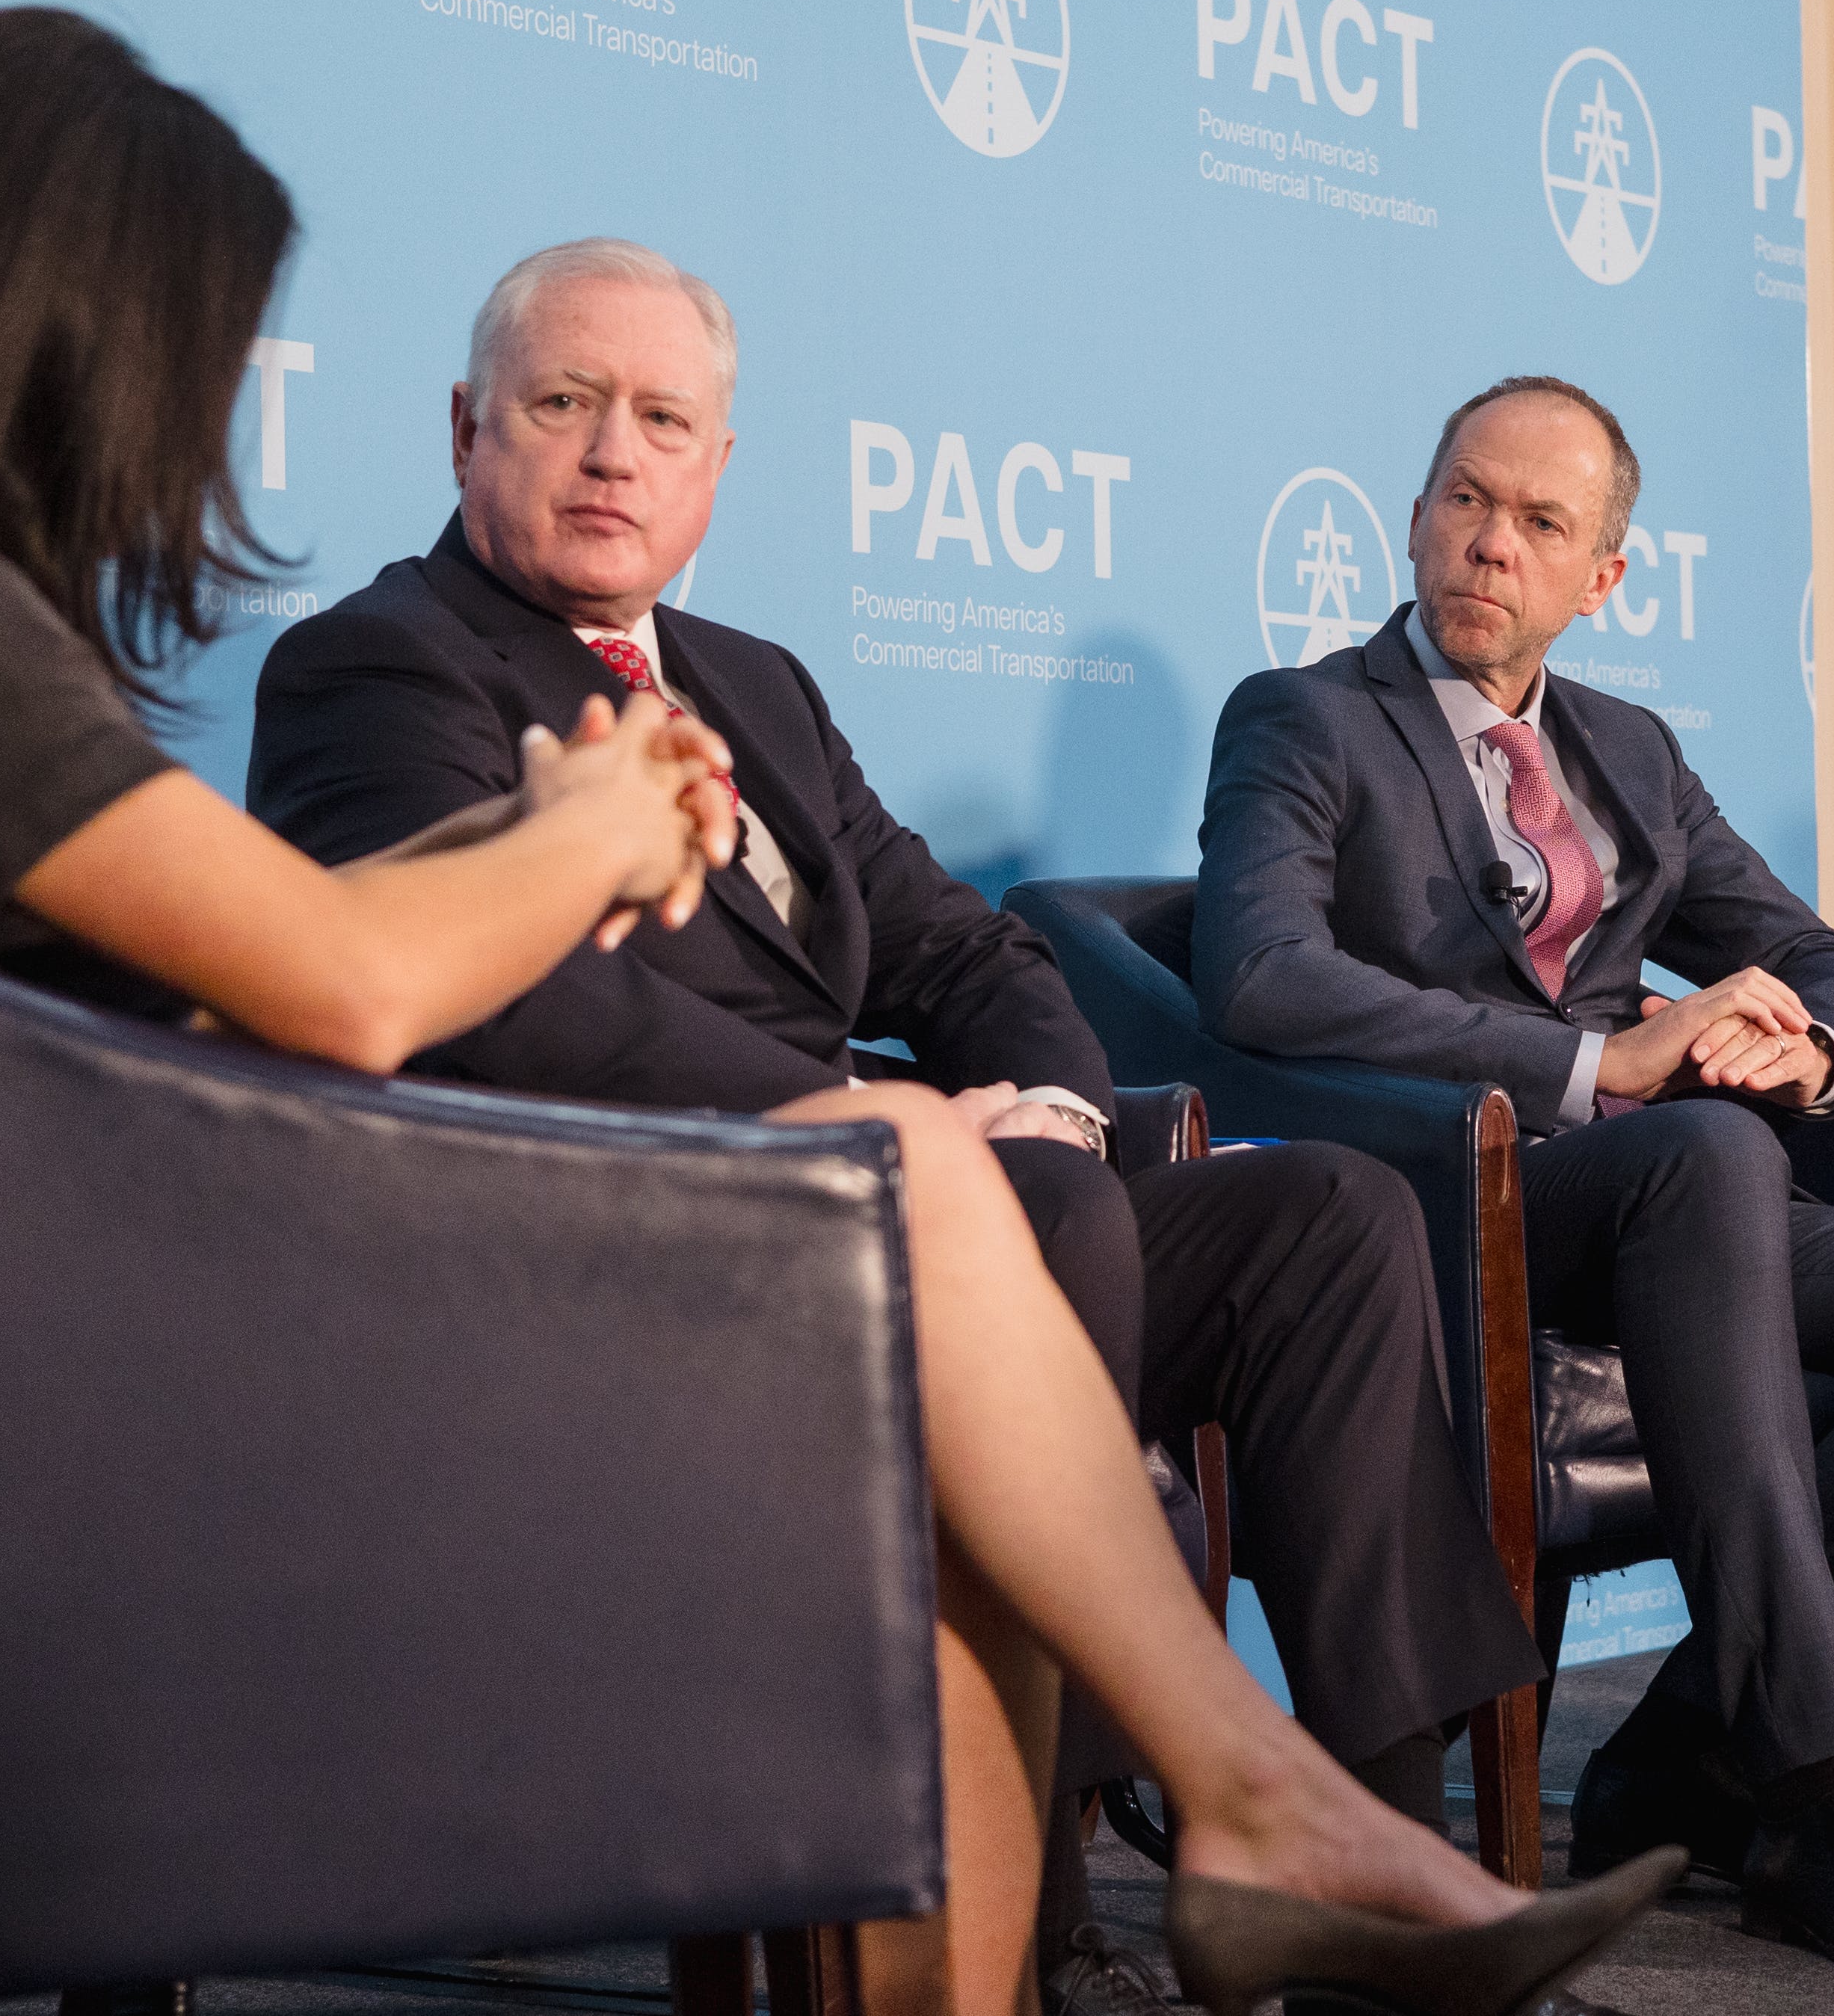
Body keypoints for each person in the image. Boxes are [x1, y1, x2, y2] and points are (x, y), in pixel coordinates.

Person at [0, 8, 1670, 2016]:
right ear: (38, 326)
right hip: (171, 1369)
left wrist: (625, 878)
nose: (179, 437)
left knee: (1018, 1201)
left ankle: (1282, 1809)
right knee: (902, 1189)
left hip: (115, 1309)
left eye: (665, 419)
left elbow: (186, 1010)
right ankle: (1243, 1799)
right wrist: (579, 842)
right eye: (180, 357)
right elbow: (345, 987)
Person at [245, 238, 1559, 2015]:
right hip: (625, 1272)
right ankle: (1030, 1924)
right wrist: (881, 1114)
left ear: (717, 467)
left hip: (889, 1236)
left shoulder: (757, 685)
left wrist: (1057, 1112)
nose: (614, 452)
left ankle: (1375, 1902)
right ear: (468, 428)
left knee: (1320, 1221)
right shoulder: (378, 665)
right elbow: (506, 1000)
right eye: (563, 403)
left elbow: (960, 947)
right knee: (1016, 1207)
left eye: (662, 420)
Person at [1193, 374, 1834, 1976]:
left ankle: (1687, 1746)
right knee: (1697, 1144)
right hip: (1468, 1210)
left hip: (1697, 1216)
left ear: (1603, 576)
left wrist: (1806, 1054)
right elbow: (1259, 976)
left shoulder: (1627, 751)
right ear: (1415, 516)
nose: (1488, 542)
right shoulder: (1305, 717)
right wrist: (1596, 1066)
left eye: (1537, 521)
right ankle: (1820, 1794)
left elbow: (1815, 959)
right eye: (1463, 500)